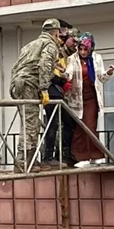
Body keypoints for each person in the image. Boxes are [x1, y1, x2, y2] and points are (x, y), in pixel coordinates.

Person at [9, 18, 68, 168]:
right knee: (31, 125)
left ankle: (29, 160)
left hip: (19, 84)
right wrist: (44, 88)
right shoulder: (50, 44)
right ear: (56, 33)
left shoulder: (31, 44)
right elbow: (44, 65)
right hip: (29, 85)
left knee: (29, 123)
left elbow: (21, 66)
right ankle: (23, 163)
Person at [64, 33, 114, 165]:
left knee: (90, 126)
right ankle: (81, 157)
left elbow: (101, 78)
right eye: (80, 49)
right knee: (79, 127)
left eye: (85, 49)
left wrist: (108, 73)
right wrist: (64, 73)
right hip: (77, 98)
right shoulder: (72, 59)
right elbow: (69, 73)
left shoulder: (97, 58)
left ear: (91, 48)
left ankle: (96, 155)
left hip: (92, 98)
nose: (82, 52)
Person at [41, 31, 78, 165]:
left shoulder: (67, 54)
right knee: (53, 123)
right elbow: (47, 71)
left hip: (58, 91)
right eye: (62, 37)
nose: (75, 44)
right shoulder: (51, 49)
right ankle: (48, 157)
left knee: (68, 122)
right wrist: (61, 81)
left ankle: (62, 154)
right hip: (51, 90)